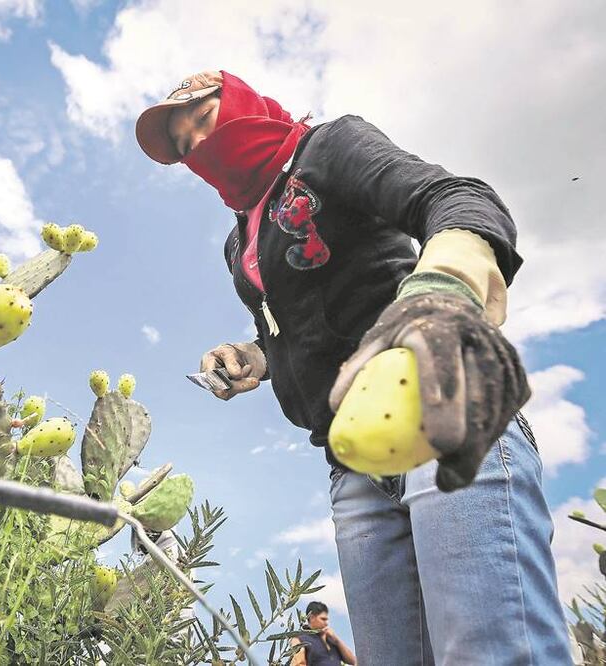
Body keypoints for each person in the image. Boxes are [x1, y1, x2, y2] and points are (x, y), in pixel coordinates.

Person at [135, 70, 573, 664]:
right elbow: (307, 326)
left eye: (204, 122)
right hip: (351, 464)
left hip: (435, 408)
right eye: (185, 148)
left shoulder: (328, 148)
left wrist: (447, 280)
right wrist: (256, 357)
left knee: (490, 653)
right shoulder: (239, 242)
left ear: (240, 102)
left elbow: (455, 197)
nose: (198, 150)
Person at [287, 601, 357, 666]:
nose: (326, 623)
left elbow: (353, 661)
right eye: (323, 619)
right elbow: (298, 664)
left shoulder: (331, 640)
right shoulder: (300, 639)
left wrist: (337, 640)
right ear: (312, 618)